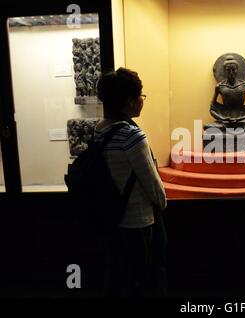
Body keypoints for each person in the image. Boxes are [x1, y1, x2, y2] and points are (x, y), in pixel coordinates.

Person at [95, 67, 167, 297]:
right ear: (129, 101)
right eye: (140, 96)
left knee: (119, 279)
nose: (142, 101)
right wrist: (162, 202)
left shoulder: (101, 129)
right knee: (142, 280)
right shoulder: (131, 136)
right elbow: (153, 185)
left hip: (110, 216)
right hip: (137, 221)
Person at [210, 55, 245, 128]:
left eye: (233, 69)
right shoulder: (219, 87)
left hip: (243, 118)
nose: (231, 72)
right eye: (228, 70)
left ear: (237, 70)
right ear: (224, 71)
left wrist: (241, 118)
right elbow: (212, 109)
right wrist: (223, 118)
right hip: (225, 119)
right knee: (208, 127)